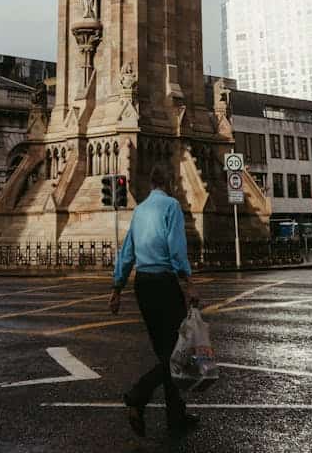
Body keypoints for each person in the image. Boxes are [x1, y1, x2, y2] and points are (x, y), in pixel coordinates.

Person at [109, 164, 200, 437]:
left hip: (143, 285)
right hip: (163, 282)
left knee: (166, 352)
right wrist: (189, 282)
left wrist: (116, 288)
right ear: (169, 182)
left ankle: (176, 418)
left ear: (150, 184)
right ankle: (138, 396)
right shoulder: (171, 206)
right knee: (174, 355)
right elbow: (176, 246)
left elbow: (127, 253)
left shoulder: (139, 210)